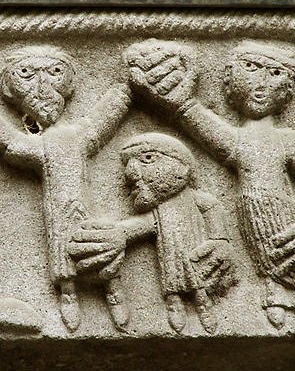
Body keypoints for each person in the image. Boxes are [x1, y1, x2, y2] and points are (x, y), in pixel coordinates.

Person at [121, 39, 295, 328]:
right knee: (272, 261)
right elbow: (203, 126)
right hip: (255, 222)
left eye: (275, 74)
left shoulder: (289, 140)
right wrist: (182, 102)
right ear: (231, 80)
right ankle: (279, 287)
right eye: (251, 68)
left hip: (287, 219)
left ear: (287, 90)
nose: (261, 83)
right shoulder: (239, 140)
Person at [0, 45, 133, 331]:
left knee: (99, 250)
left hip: (84, 209)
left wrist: (128, 86)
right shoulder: (42, 145)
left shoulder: (79, 135)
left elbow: (107, 115)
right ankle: (69, 295)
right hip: (58, 213)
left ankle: (112, 291)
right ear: (10, 89)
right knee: (63, 254)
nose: (42, 85)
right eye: (27, 74)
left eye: (54, 73)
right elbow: (11, 143)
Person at [69, 132, 236, 333]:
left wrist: (221, 243)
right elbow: (141, 226)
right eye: (128, 164)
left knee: (200, 288)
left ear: (183, 167)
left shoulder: (202, 201)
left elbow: (218, 230)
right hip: (170, 260)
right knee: (172, 285)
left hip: (198, 259)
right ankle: (175, 306)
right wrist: (120, 233)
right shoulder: (158, 212)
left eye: (147, 158)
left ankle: (203, 307)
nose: (130, 173)